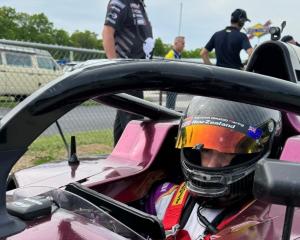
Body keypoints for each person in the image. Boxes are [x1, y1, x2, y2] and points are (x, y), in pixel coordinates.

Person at [145, 96, 282, 239]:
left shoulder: (266, 225)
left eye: (227, 152)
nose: (211, 164)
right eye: (205, 150)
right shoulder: (162, 200)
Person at [102, 0, 154, 145]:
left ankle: (117, 159)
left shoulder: (139, 4)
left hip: (139, 75)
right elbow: (107, 32)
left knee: (124, 121)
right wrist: (115, 67)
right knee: (134, 126)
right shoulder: (121, 2)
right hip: (128, 74)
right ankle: (135, 164)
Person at [164, 36, 185, 109]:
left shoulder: (177, 55)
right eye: (182, 43)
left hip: (174, 84)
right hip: (171, 84)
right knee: (170, 106)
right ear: (176, 43)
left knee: (171, 106)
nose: (184, 45)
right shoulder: (171, 55)